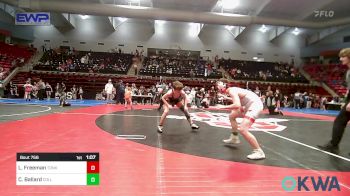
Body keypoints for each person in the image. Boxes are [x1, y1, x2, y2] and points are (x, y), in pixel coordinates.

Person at [216, 80, 265, 160]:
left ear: (224, 85)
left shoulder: (231, 90)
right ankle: (234, 137)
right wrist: (225, 97)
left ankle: (258, 151)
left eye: (218, 84)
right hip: (249, 105)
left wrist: (222, 107)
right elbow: (237, 100)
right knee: (232, 116)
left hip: (254, 105)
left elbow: (237, 105)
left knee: (243, 129)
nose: (217, 86)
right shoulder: (232, 90)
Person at [318, 48, 350, 154]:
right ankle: (333, 145)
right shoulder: (348, 71)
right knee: (339, 121)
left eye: (343, 57)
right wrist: (345, 101)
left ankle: (333, 145)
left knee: (339, 121)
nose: (340, 59)